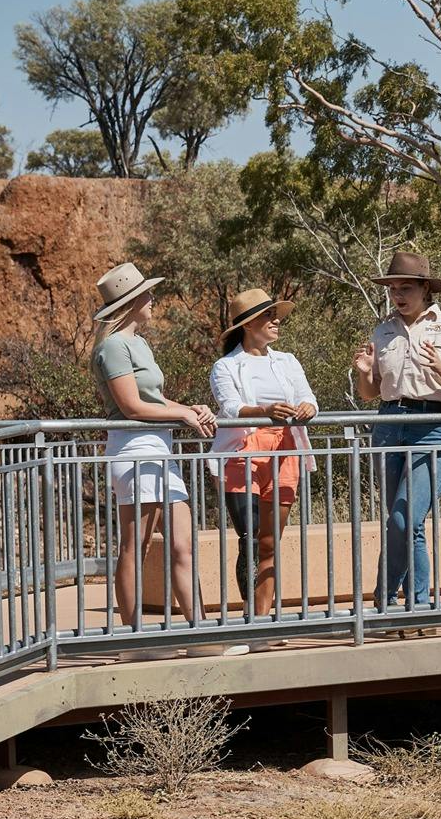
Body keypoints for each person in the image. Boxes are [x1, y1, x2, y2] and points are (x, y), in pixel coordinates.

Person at [89, 262, 248, 657]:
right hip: (133, 450)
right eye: (147, 293)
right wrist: (180, 415)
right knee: (135, 545)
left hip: (159, 450)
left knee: (182, 543)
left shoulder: (138, 344)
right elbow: (129, 406)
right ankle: (137, 639)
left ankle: (198, 638)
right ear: (131, 302)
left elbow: (153, 401)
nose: (153, 299)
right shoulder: (113, 347)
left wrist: (188, 408)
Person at [350, 251, 441, 621]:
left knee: (406, 517)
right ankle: (409, 609)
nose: (398, 295)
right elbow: (370, 393)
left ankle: (396, 603)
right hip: (390, 423)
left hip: (435, 426)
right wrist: (363, 372)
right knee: (401, 520)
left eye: (405, 287)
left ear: (425, 288)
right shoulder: (384, 330)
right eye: (392, 289)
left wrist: (439, 367)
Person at [208, 288, 318, 635]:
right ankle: (250, 623)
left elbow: (307, 397)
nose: (276, 321)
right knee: (251, 536)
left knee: (270, 539)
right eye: (269, 315)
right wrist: (265, 412)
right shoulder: (226, 366)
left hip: (285, 448)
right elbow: (229, 407)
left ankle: (266, 621)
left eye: (276, 315)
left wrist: (307, 409)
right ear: (247, 325)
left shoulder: (286, 360)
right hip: (244, 449)